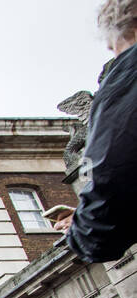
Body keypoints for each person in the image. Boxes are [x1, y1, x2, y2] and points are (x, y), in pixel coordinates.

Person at [57, 1, 137, 263]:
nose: (112, 53)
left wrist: (80, 226)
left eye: (113, 47)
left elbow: (112, 172)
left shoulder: (125, 79)